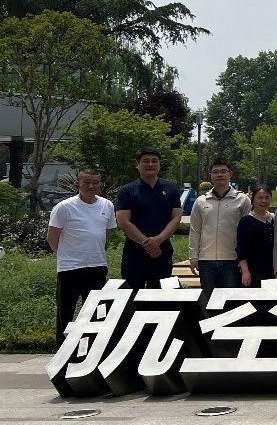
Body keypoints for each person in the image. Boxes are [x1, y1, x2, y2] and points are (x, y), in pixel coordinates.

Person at [48, 168, 116, 346]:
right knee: (66, 313)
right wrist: (66, 255)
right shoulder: (64, 207)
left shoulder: (107, 205)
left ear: (100, 184)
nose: (91, 186)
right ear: (77, 183)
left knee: (97, 314)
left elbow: (106, 233)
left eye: (96, 182)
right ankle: (62, 352)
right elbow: (52, 237)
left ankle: (93, 351)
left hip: (97, 267)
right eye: (86, 182)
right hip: (70, 268)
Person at [114, 147, 183, 289]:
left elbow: (176, 218)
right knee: (132, 293)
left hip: (162, 249)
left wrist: (158, 240)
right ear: (137, 165)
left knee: (160, 294)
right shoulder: (127, 190)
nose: (150, 164)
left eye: (154, 161)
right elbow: (123, 221)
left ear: (159, 164)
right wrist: (148, 245)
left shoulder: (171, 189)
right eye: (145, 161)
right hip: (135, 250)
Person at [188, 159, 252, 294]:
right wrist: (193, 256)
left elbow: (247, 233)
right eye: (215, 172)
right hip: (206, 261)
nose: (219, 175)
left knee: (229, 301)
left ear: (230, 174)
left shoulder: (242, 200)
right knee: (209, 300)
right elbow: (195, 230)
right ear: (210, 175)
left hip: (232, 260)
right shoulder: (201, 201)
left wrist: (244, 260)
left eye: (223, 171)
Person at [237, 185, 276, 287]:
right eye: (260, 197)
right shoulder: (246, 221)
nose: (264, 201)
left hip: (271, 270)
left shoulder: (273, 219)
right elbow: (241, 249)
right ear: (253, 200)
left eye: (267, 197)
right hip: (252, 271)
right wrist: (245, 271)